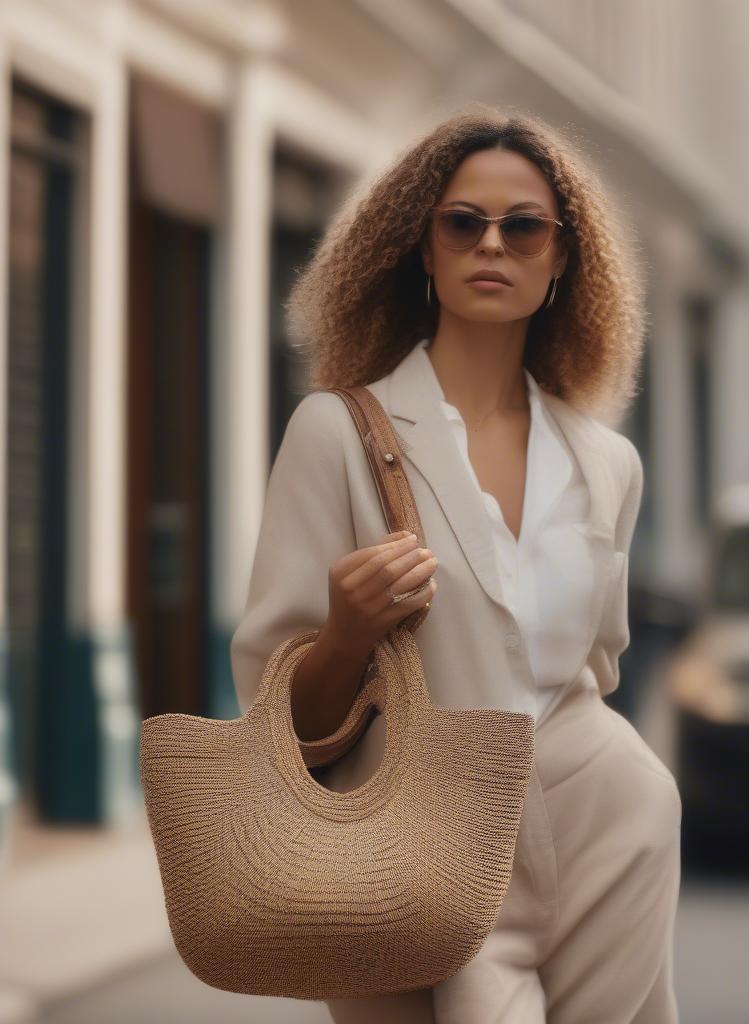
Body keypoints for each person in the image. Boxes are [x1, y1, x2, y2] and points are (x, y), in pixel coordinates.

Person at [230, 105, 682, 1023]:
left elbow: (593, 675)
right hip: (417, 849)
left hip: (609, 831)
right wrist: (349, 631)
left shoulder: (608, 463)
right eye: (462, 222)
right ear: (421, 248)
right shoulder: (336, 435)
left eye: (524, 227)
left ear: (562, 258)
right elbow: (280, 725)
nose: (493, 244)